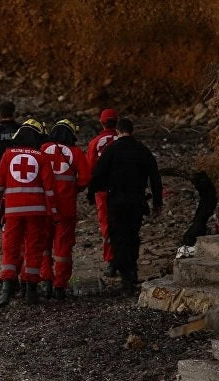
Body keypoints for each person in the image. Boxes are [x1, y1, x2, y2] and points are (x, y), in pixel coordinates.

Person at [86, 117, 163, 296]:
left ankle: (126, 280)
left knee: (118, 239)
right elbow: (155, 178)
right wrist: (157, 202)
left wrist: (92, 194)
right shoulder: (142, 150)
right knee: (132, 236)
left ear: (118, 132)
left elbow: (98, 174)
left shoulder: (111, 150)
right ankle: (132, 271)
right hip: (137, 201)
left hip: (117, 202)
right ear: (132, 131)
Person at [0, 118, 55, 307]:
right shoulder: (41, 157)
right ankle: (31, 292)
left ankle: (6, 290)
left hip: (13, 212)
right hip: (37, 213)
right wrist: (54, 213)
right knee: (34, 249)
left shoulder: (8, 155)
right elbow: (50, 190)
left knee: (10, 249)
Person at [39, 119, 91, 299]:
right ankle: (60, 285)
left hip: (44, 207)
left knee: (43, 244)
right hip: (66, 208)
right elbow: (85, 178)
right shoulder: (76, 152)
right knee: (63, 247)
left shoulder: (42, 149)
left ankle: (46, 279)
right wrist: (73, 189)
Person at [86, 108, 119, 277]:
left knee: (107, 225)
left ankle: (111, 260)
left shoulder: (95, 143)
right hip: (123, 189)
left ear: (101, 122)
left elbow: (90, 169)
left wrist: (91, 190)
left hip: (103, 191)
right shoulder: (124, 139)